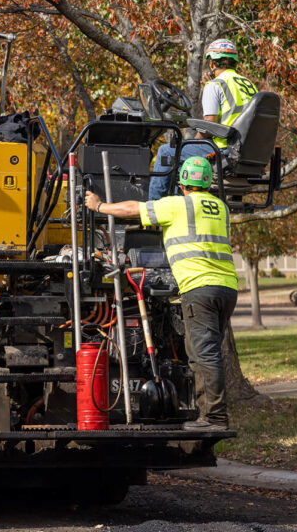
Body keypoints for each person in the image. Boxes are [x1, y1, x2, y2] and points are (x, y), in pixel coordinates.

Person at [85, 155, 238, 430]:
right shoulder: (220, 207)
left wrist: (100, 205)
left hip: (199, 288)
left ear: (182, 183)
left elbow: (134, 208)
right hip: (226, 288)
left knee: (203, 354)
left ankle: (214, 418)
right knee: (209, 351)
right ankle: (212, 414)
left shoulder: (178, 205)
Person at [149, 38, 258, 200]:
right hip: (247, 152)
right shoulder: (249, 85)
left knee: (167, 152)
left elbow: (208, 128)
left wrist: (193, 141)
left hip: (224, 151)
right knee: (182, 157)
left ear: (212, 64)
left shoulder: (215, 85)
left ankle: (153, 210)